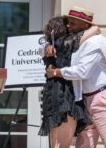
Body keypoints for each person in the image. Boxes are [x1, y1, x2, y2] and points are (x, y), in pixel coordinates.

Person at [46, 6, 106, 148]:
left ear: (85, 25)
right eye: (68, 22)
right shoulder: (78, 41)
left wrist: (56, 72)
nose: (68, 25)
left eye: (73, 23)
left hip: (104, 98)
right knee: (84, 144)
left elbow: (82, 71)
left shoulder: (94, 42)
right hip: (87, 99)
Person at [38, 16, 100, 148]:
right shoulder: (67, 42)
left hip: (52, 96)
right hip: (64, 96)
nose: (69, 26)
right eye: (67, 24)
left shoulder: (50, 47)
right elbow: (95, 29)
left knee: (56, 144)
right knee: (61, 146)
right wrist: (87, 23)